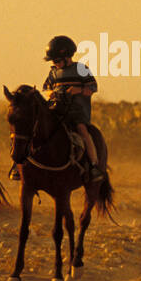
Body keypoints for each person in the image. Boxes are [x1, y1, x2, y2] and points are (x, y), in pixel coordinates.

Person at [41, 35, 104, 183]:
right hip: (57, 110)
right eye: (53, 61)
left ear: (67, 56)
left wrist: (79, 89)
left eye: (56, 60)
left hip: (76, 112)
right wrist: (53, 93)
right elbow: (46, 90)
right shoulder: (53, 73)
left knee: (83, 131)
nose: (55, 64)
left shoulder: (81, 69)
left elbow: (93, 88)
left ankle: (94, 164)